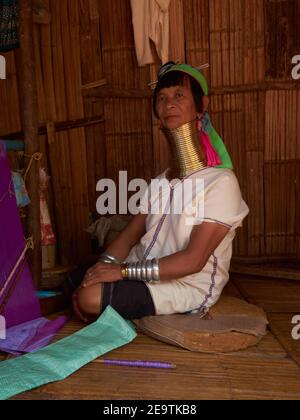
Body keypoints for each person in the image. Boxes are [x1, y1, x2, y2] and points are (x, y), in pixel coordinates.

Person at [72, 62, 249, 322]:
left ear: (202, 105)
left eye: (179, 95)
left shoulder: (220, 182)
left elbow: (192, 261)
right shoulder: (162, 181)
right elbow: (130, 235)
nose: (169, 105)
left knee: (88, 298)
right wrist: (102, 267)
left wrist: (120, 271)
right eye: (162, 98)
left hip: (184, 286)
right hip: (139, 267)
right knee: (76, 278)